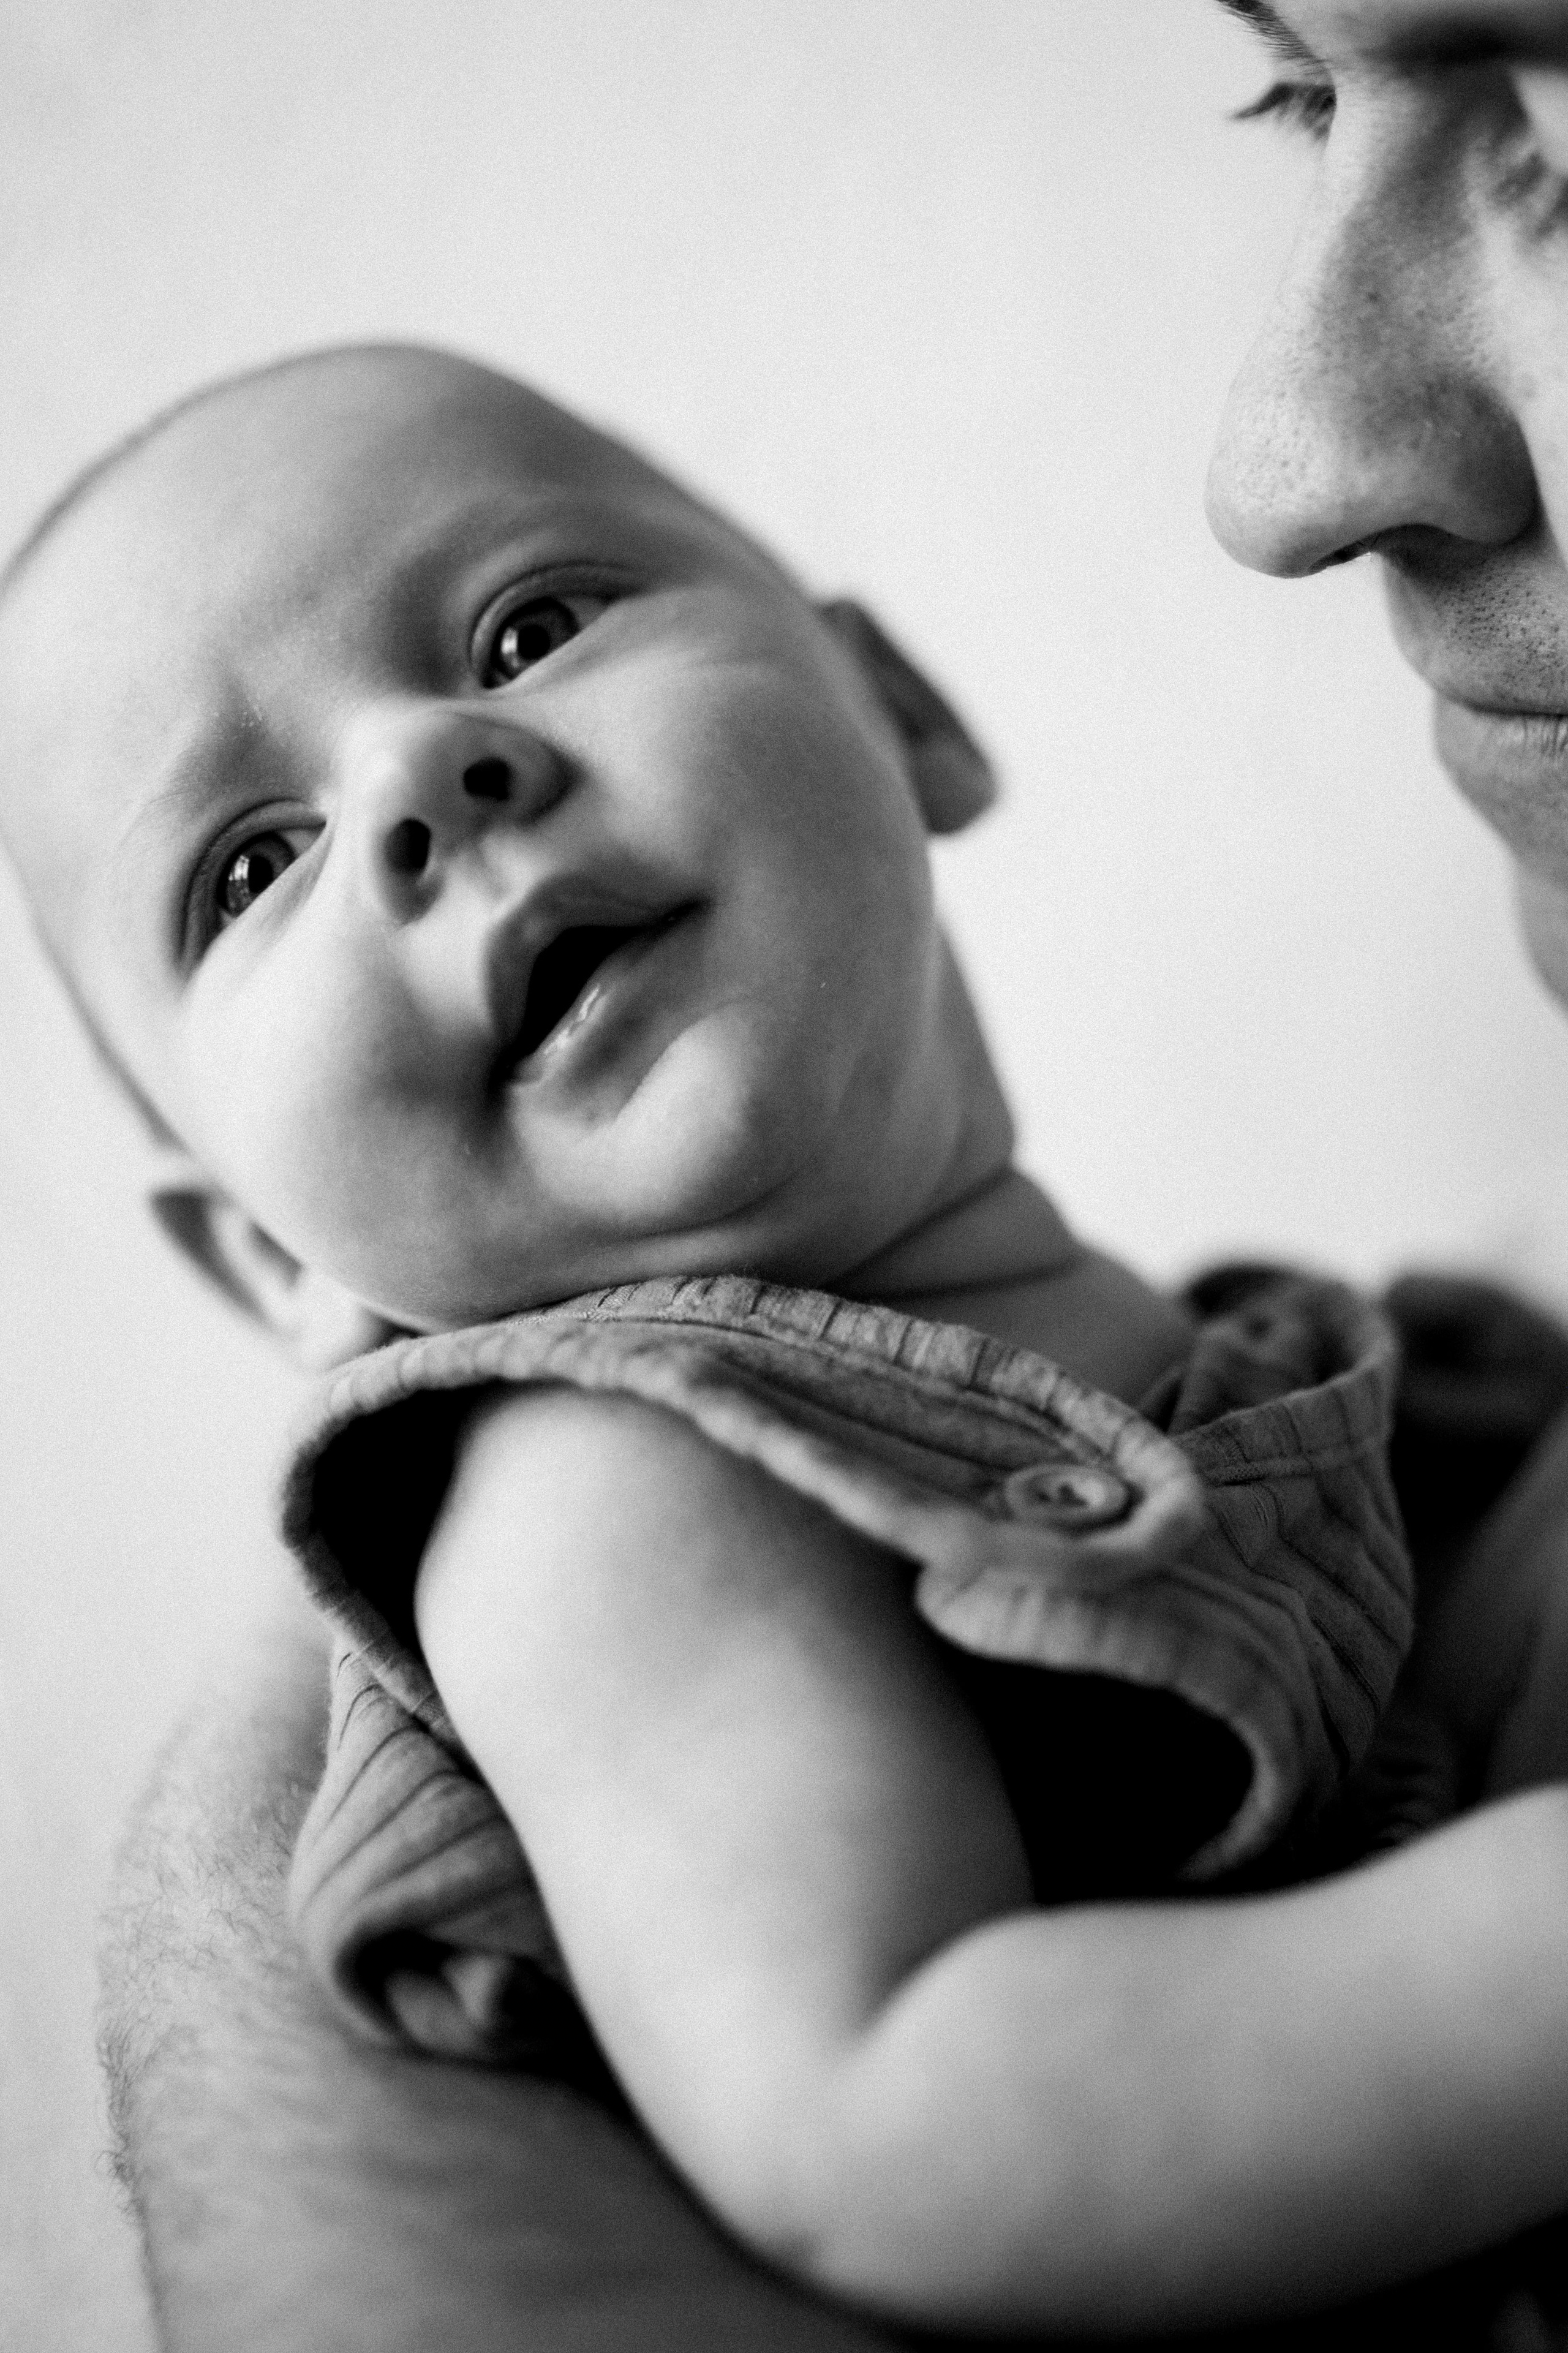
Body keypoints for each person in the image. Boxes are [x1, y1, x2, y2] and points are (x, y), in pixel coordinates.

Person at [78, 4, 1568, 2344]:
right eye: (247, 863)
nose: (422, 779)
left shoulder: (1138, 1359)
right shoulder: (603, 1485)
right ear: (267, 1250)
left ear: (907, 716)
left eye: (531, 626)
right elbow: (895, 2113)